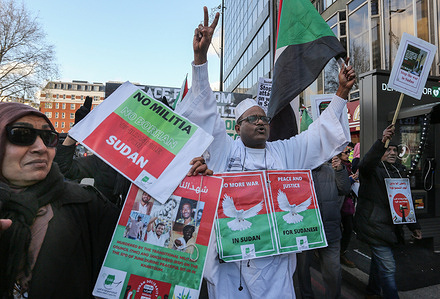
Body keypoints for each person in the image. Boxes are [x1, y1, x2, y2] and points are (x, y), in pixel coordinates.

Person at [174, 7, 356, 298]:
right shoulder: (224, 150)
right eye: (253, 119)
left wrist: (341, 95)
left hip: (276, 270)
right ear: (238, 126)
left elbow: (317, 136)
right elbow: (206, 112)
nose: (261, 123)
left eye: (264, 119)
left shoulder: (284, 152)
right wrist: (200, 60)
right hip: (233, 268)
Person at [0, 102, 119, 298]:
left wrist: (186, 173)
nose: (41, 148)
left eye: (48, 138)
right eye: (22, 135)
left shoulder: (86, 203)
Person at [354, 124, 422, 299]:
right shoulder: (371, 171)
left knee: (379, 262)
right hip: (374, 226)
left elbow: (404, 201)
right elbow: (366, 163)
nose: (392, 152)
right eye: (388, 149)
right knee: (388, 267)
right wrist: (382, 140)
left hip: (389, 227)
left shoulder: (399, 171)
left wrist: (414, 226)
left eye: (394, 150)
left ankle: (372, 291)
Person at [296, 155, 351, 299]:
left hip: (329, 230)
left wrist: (340, 170)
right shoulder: (295, 174)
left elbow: (345, 189)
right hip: (304, 232)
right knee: (302, 270)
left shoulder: (331, 170)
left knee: (333, 271)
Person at [339, 144, 358, 268]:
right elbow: (339, 185)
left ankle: (341, 252)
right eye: (346, 153)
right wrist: (350, 180)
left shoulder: (349, 166)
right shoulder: (336, 167)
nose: (348, 154)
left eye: (349, 152)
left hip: (347, 203)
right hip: (339, 203)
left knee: (348, 228)